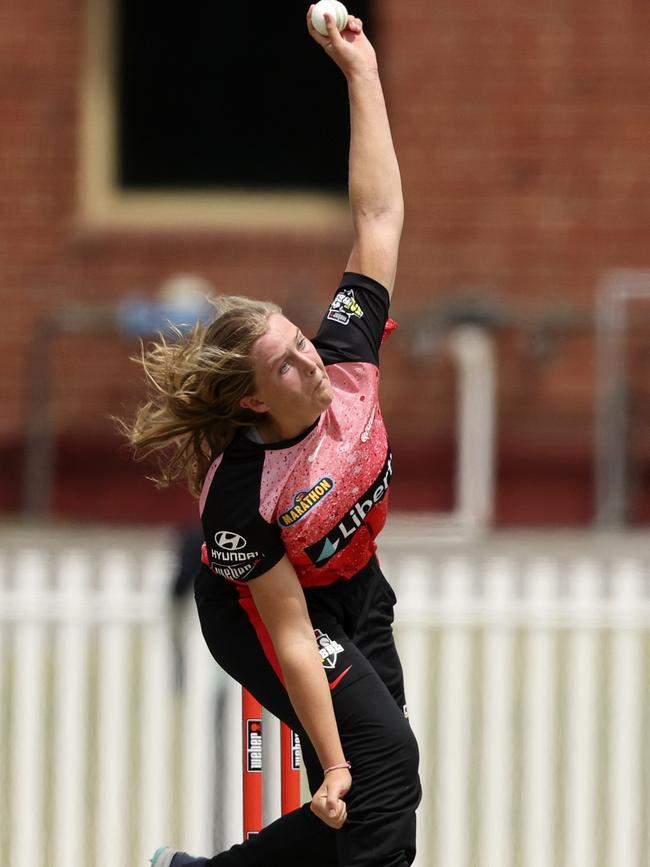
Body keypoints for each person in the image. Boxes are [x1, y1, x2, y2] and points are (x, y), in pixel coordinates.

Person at [126, 7, 421, 866]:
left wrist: (361, 74)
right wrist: (329, 760)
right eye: (288, 365)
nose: (310, 361)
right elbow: (289, 633)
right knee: (374, 767)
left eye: (300, 340)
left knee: (380, 806)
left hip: (356, 585)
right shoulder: (242, 490)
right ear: (253, 403)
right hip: (261, 612)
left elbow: (379, 216)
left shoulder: (347, 356)